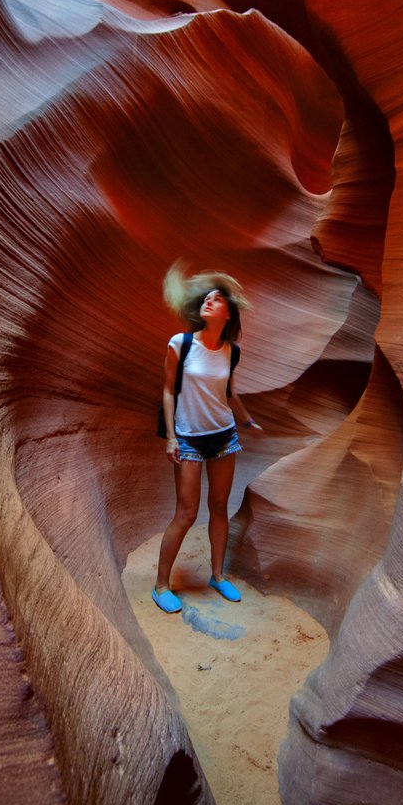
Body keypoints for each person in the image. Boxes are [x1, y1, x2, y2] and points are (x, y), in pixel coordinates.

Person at [152, 262, 262, 614]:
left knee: (219, 507)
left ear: (228, 314)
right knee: (185, 513)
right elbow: (169, 392)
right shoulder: (180, 343)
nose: (209, 301)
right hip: (188, 438)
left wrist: (245, 420)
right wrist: (170, 437)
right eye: (207, 298)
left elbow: (228, 391)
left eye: (217, 300)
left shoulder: (232, 352)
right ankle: (160, 585)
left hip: (224, 436)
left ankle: (217, 575)